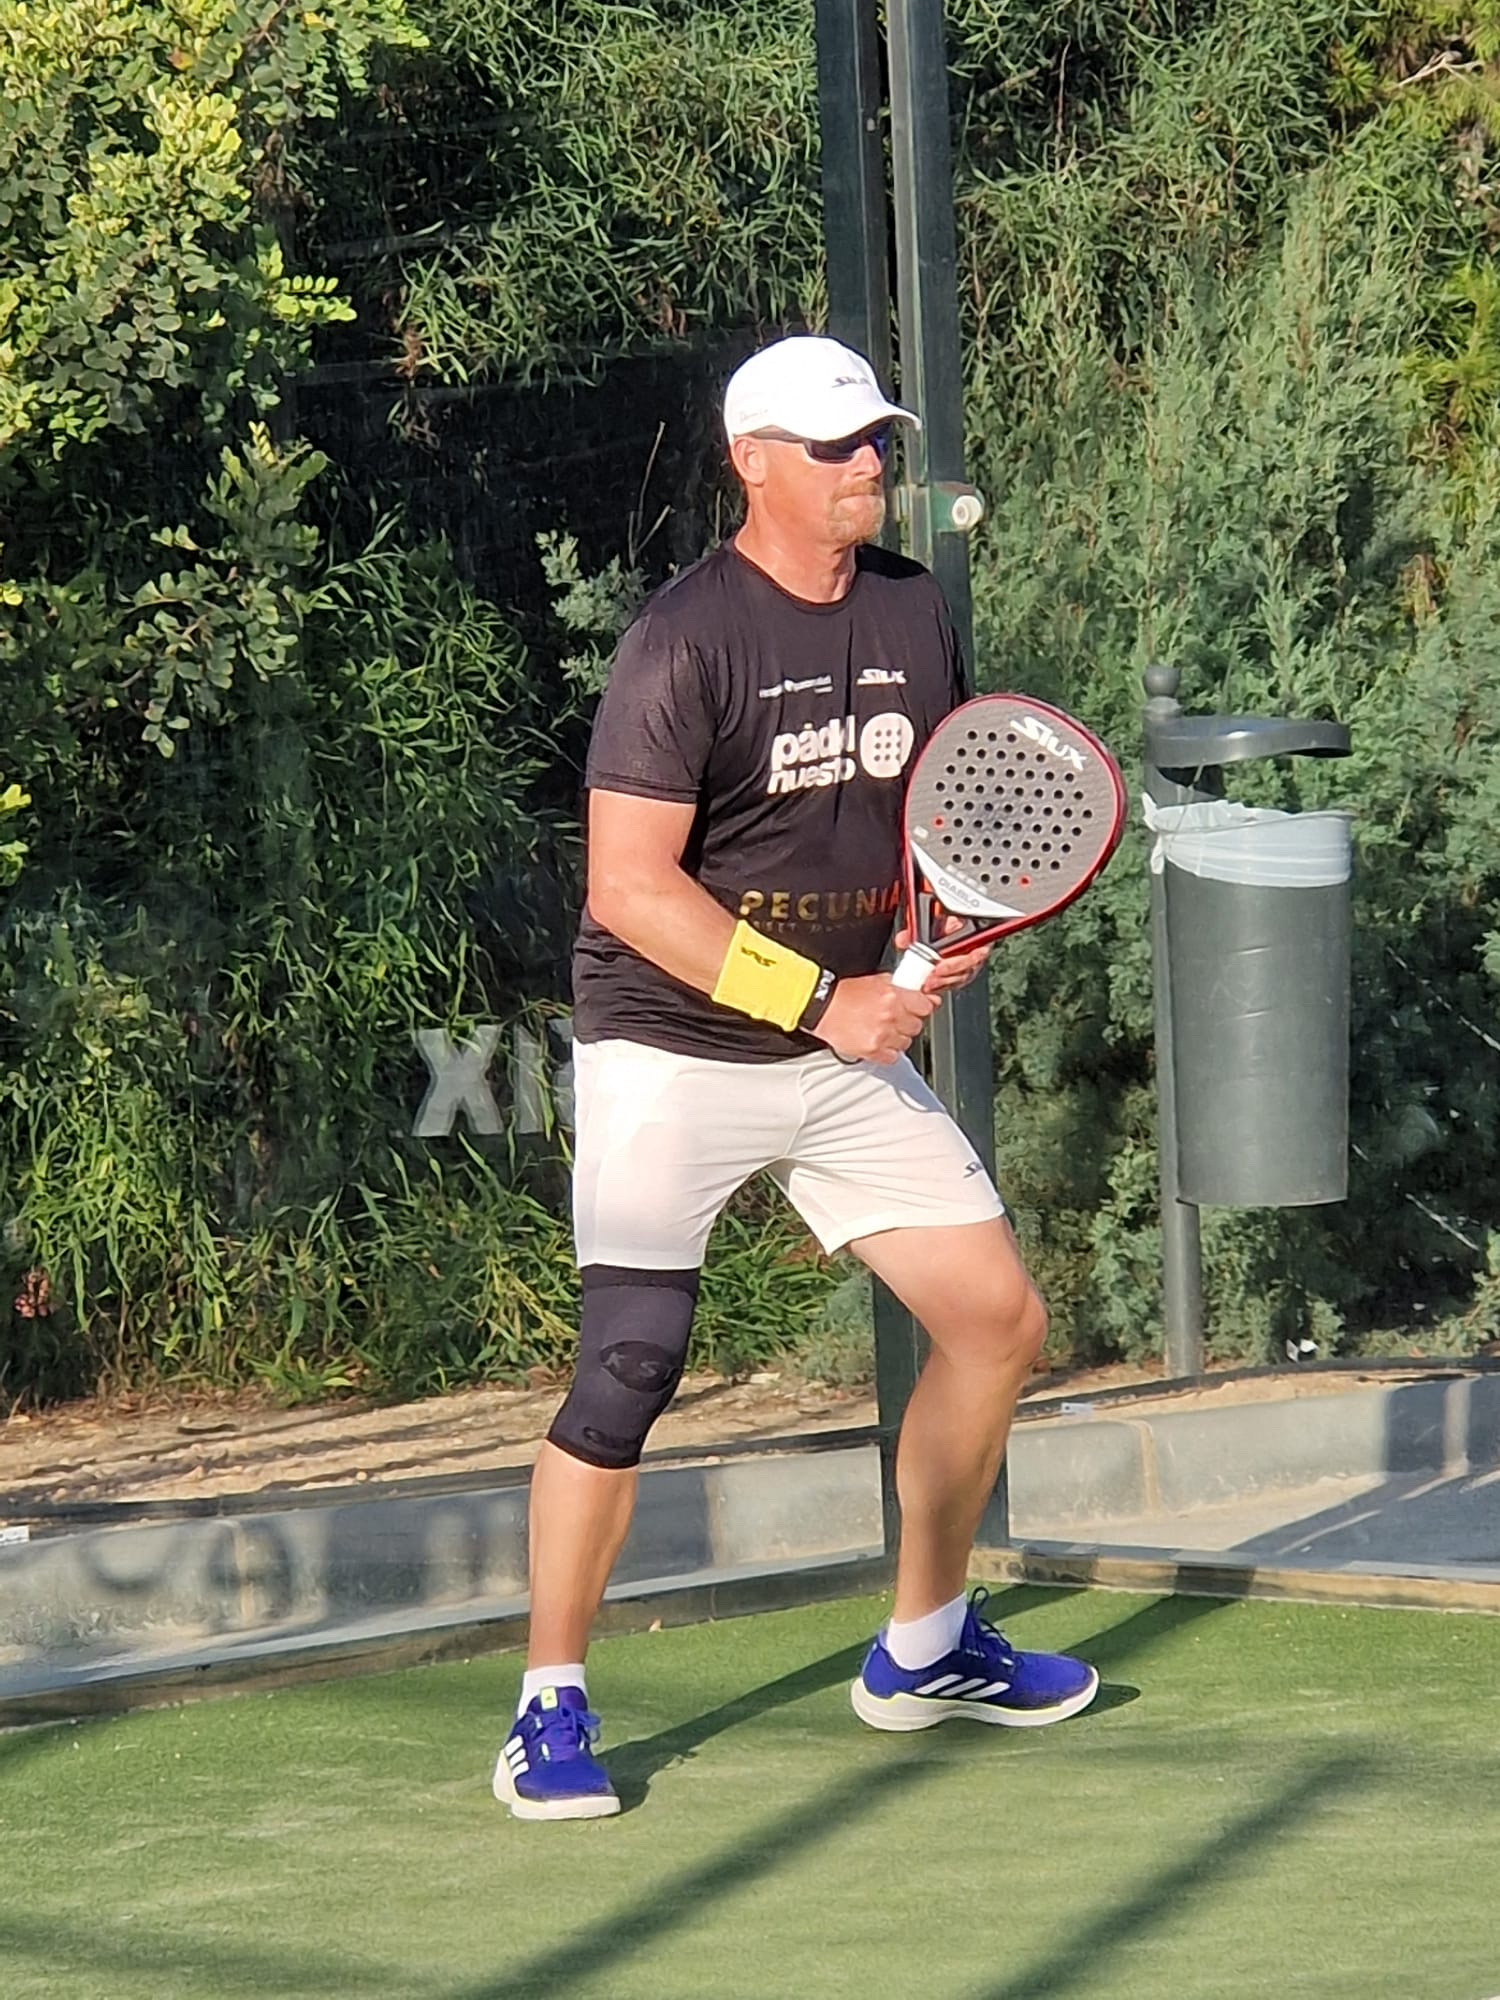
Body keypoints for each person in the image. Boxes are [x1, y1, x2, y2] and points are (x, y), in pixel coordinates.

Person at [492, 335, 1098, 1822]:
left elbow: (940, 809)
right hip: (669, 1042)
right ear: (750, 463)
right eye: (834, 448)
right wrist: (827, 1002)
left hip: (837, 1042)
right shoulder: (680, 640)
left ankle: (925, 1647)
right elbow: (631, 888)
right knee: (630, 1363)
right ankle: (548, 1706)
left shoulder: (912, 606)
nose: (866, 466)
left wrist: (922, 947)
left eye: (876, 439)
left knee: (997, 1322)